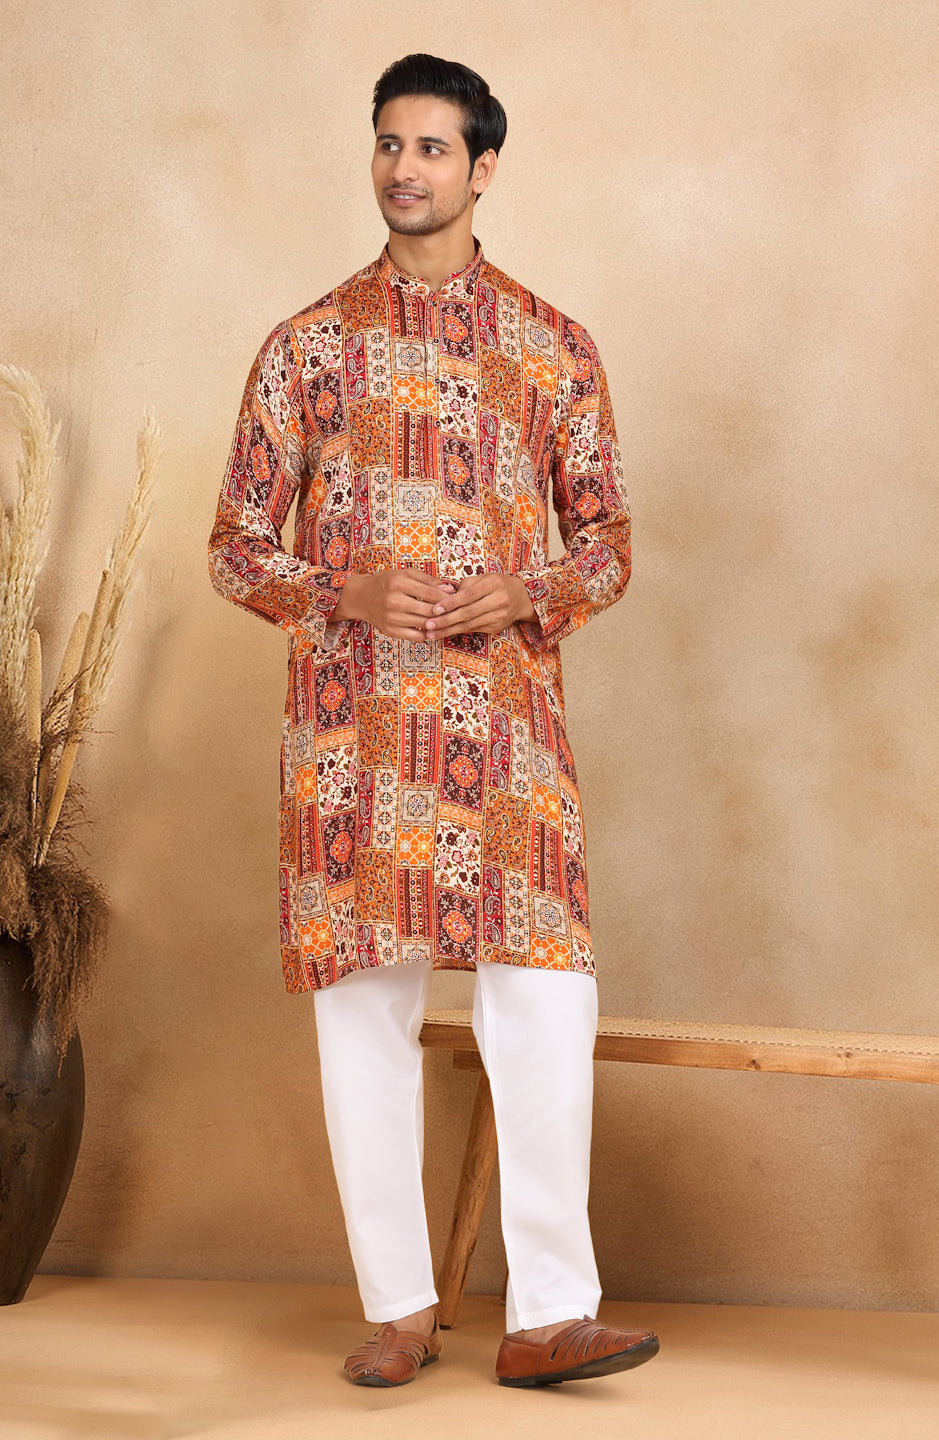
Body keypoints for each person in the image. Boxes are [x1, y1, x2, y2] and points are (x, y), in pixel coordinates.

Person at [207, 52, 660, 1389]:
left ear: (483, 168)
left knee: (547, 1000)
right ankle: (399, 1309)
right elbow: (234, 544)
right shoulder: (305, 347)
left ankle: (550, 1314)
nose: (405, 169)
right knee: (363, 1012)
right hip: (351, 741)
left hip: (508, 743)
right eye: (388, 144)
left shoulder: (553, 346)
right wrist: (335, 587)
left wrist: (533, 589)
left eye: (432, 148)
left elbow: (610, 543)